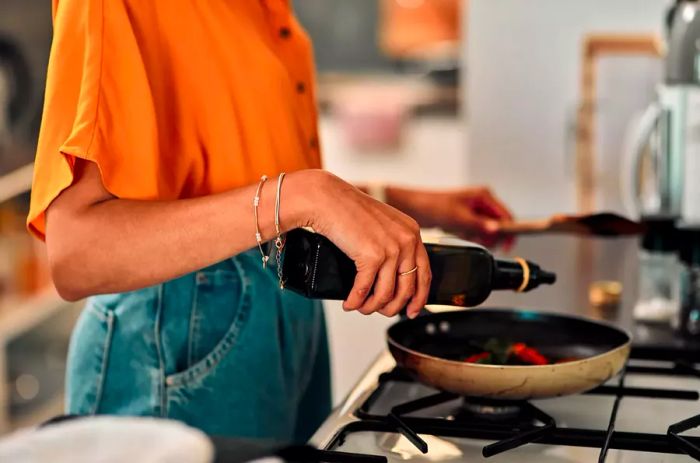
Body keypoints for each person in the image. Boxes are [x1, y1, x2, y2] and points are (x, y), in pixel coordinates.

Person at [28, 0, 513, 444]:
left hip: (284, 316)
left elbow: (254, 180)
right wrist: (308, 194)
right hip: (179, 343)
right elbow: (77, 254)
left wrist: (401, 202)